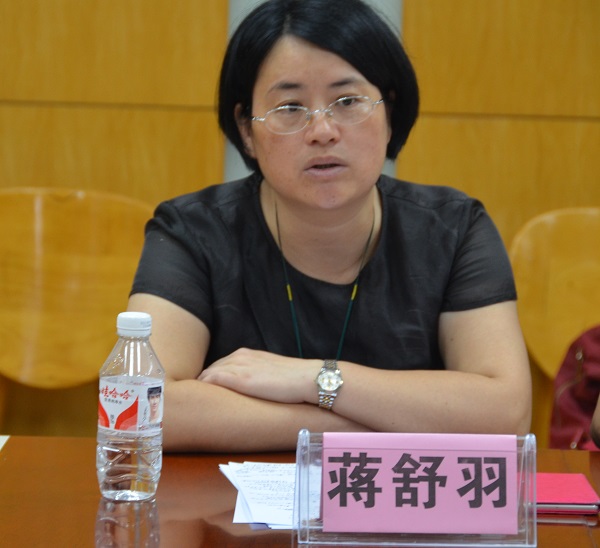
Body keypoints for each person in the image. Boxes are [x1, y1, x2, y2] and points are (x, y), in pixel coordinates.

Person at [128, 0, 532, 452]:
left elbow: (507, 412)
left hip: (403, 497)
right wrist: (369, 422)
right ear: (246, 130)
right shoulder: (192, 231)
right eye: (290, 107)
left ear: (389, 112)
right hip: (228, 500)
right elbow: (144, 406)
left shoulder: (454, 229)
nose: (322, 130)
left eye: (347, 102)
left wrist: (313, 378)